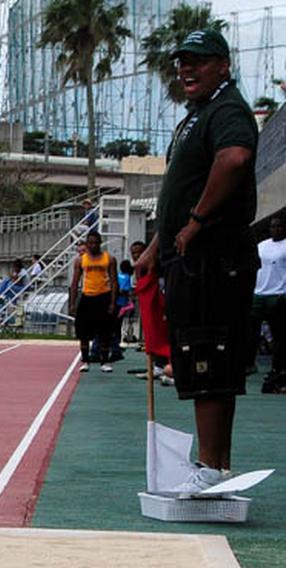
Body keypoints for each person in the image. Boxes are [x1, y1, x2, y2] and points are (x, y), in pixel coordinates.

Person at [134, 29, 260, 495]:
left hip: (212, 256)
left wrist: (195, 221)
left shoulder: (226, 110)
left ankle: (209, 465)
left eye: (199, 61)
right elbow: (178, 187)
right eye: (182, 62)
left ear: (223, 65)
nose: (187, 69)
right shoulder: (198, 114)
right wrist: (153, 249)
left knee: (207, 356)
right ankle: (217, 465)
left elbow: (234, 159)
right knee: (205, 356)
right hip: (190, 255)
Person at [69, 231, 118, 373]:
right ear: (87, 243)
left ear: (100, 243)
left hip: (104, 296)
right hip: (87, 297)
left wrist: (113, 302)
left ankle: (104, 361)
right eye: (90, 242)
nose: (93, 245)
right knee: (83, 332)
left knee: (105, 331)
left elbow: (114, 282)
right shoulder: (81, 260)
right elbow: (74, 283)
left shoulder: (109, 259)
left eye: (96, 242)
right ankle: (85, 361)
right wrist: (72, 303)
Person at [248, 216, 286, 394]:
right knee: (250, 332)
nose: (275, 229)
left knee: (278, 335)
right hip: (259, 293)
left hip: (277, 295)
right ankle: (248, 364)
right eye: (272, 227)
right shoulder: (262, 245)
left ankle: (277, 368)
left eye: (279, 226)